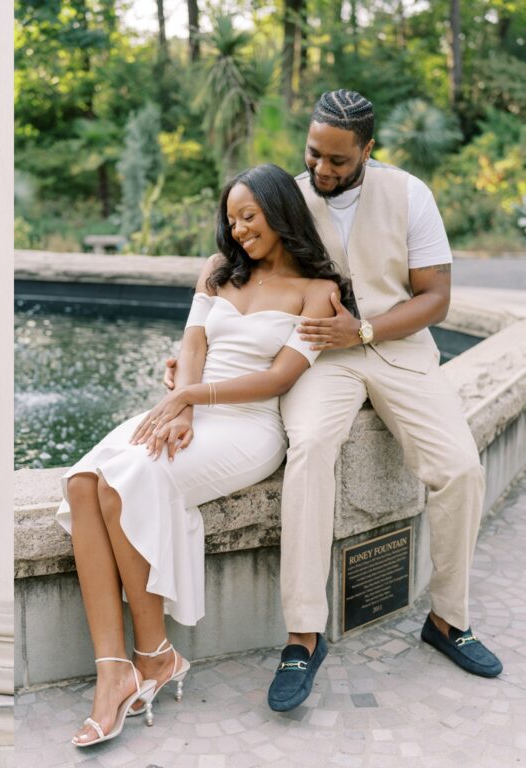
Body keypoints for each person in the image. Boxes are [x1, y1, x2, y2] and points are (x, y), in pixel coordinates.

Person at [167, 89, 502, 712]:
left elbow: (436, 299)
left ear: (368, 151)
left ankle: (449, 620)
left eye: (339, 162)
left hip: (398, 348)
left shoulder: (410, 195)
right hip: (318, 357)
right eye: (314, 154)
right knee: (313, 447)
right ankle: (302, 636)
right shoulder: (286, 200)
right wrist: (198, 357)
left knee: (460, 467)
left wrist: (367, 329)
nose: (322, 170)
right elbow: (243, 278)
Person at [58, 163, 351, 747]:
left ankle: (154, 655)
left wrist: (193, 395)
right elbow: (193, 343)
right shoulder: (218, 272)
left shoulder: (320, 292)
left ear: (280, 211)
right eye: (231, 219)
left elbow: (278, 378)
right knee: (83, 482)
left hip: (247, 428)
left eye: (250, 216)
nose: (239, 230)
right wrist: (185, 404)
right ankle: (117, 668)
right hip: (192, 410)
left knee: (126, 481)